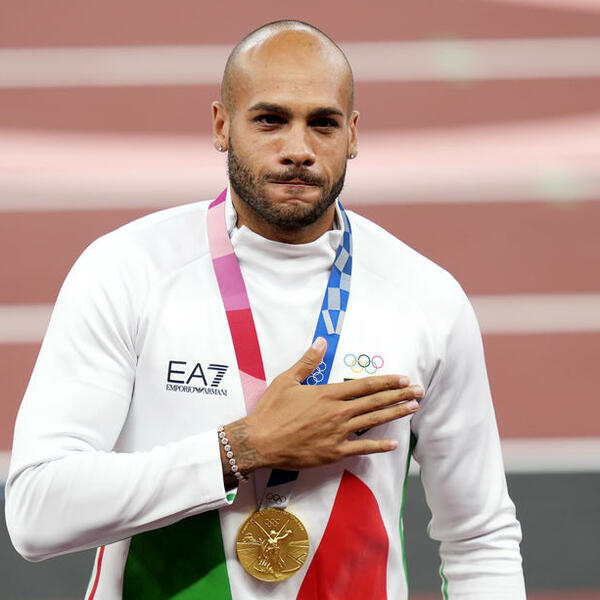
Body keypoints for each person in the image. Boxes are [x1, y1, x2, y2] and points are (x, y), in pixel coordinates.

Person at [5, 20, 526, 599]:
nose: (298, 149)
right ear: (221, 126)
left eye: (323, 123)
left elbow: (480, 536)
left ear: (353, 134)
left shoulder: (427, 300)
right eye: (270, 119)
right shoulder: (126, 272)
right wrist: (241, 448)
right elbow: (36, 511)